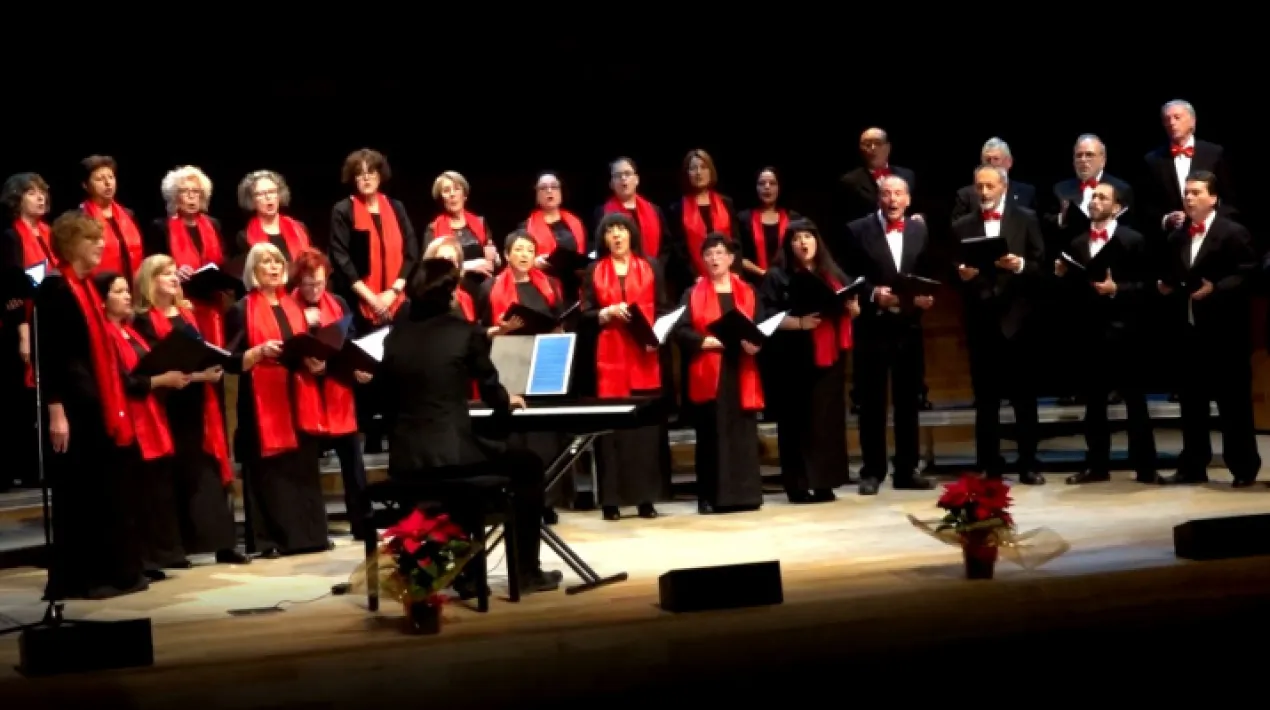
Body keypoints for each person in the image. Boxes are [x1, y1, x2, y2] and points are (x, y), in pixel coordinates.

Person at [378, 258, 562, 595]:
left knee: (479, 465)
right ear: (450, 293)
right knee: (528, 465)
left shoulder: (394, 340)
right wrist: (508, 402)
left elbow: (383, 402)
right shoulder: (465, 333)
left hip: (406, 460)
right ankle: (525, 571)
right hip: (453, 458)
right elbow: (492, 393)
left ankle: (464, 573)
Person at [35, 211, 147, 599]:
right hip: (72, 406)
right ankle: (81, 578)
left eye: (101, 238)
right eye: (91, 239)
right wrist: (55, 409)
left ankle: (113, 570)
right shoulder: (55, 289)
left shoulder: (85, 287)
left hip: (94, 400)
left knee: (104, 490)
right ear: (70, 245)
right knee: (79, 494)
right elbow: (50, 354)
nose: (101, 245)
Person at [133, 255, 249, 564]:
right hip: (165, 404)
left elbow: (195, 352)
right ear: (150, 280)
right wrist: (199, 375)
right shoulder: (142, 319)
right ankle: (174, 548)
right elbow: (150, 365)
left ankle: (222, 543)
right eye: (165, 274)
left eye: (174, 273)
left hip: (197, 401)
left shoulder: (186, 314)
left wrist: (207, 368)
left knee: (205, 470)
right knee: (173, 476)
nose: (174, 278)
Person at [223, 242, 331, 557]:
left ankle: (308, 536)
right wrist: (258, 352)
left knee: (301, 466)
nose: (272, 267)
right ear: (253, 271)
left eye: (276, 261)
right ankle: (270, 540)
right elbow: (230, 359)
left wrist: (317, 363)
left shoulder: (295, 305)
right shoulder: (241, 309)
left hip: (297, 393)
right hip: (261, 399)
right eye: (265, 262)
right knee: (269, 471)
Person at [1159, 172, 1260, 487]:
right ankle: (1193, 465)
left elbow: (1248, 274)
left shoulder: (1233, 232)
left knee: (1233, 405)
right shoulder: (1177, 237)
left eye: (1196, 193)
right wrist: (1167, 286)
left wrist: (1216, 288)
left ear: (1213, 198)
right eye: (1186, 193)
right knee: (1192, 405)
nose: (1188, 198)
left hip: (1225, 333)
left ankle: (1243, 468)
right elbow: (1175, 274)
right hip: (1189, 332)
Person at [1053, 183, 1159, 485]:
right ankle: (1097, 466)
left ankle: (1145, 467)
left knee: (1135, 403)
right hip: (1090, 333)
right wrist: (1063, 277)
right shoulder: (1076, 243)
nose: (1095, 201)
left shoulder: (1133, 240)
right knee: (1094, 404)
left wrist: (1117, 290)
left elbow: (1148, 287)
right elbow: (1070, 293)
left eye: (1102, 197)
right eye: (1093, 197)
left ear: (1117, 207)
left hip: (1127, 333)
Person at [96, 270, 195, 577]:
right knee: (138, 492)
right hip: (130, 419)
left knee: (156, 490)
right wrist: (158, 380)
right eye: (118, 292)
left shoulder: (130, 331)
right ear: (102, 301)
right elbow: (122, 381)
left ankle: (161, 553)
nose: (127, 297)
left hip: (151, 414)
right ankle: (143, 557)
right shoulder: (106, 334)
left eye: (128, 291)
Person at [952, 165, 1046, 485]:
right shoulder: (963, 224)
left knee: (1024, 398)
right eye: (979, 187)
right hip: (982, 320)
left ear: (1003, 187)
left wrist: (1019, 265)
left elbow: (1041, 266)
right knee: (986, 400)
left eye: (989, 186)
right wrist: (962, 274)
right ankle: (989, 464)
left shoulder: (1026, 218)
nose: (983, 193)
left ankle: (1028, 463)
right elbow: (956, 267)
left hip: (1018, 321)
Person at [843, 178, 938, 494]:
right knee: (872, 403)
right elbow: (849, 277)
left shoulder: (918, 230)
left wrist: (924, 298)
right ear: (878, 199)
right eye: (886, 193)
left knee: (908, 401)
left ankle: (907, 470)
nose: (892, 199)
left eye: (898, 193)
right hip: (873, 328)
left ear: (908, 199)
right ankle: (872, 470)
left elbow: (925, 273)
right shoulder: (857, 230)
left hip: (908, 327)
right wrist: (872, 295)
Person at [759, 219, 858, 502]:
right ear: (789, 245)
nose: (803, 243)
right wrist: (799, 322)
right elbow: (765, 316)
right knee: (796, 421)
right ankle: (798, 484)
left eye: (808, 237)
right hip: (794, 356)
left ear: (817, 241)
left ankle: (825, 482)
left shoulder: (832, 271)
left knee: (826, 421)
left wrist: (853, 309)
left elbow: (850, 303)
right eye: (796, 238)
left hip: (830, 356)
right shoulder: (778, 276)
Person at [582, 212, 671, 520]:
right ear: (603, 239)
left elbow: (661, 307)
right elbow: (585, 314)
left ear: (632, 234)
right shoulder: (594, 270)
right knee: (612, 433)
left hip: (643, 353)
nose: (617, 236)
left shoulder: (651, 266)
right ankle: (611, 500)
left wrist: (656, 333)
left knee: (643, 432)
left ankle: (645, 499)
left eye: (621, 230)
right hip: (610, 356)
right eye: (610, 231)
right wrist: (604, 314)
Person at [673, 234, 765, 514]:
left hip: (741, 367)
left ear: (730, 258)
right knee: (711, 435)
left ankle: (745, 495)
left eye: (719, 253)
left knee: (742, 434)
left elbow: (760, 326)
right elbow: (681, 329)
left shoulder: (747, 291)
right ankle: (709, 496)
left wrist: (755, 342)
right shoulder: (692, 293)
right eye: (708, 254)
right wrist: (703, 341)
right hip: (710, 368)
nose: (714, 259)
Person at [288, 249, 374, 540]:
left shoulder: (337, 304)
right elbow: (286, 348)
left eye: (320, 283)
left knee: (353, 464)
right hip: (304, 393)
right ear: (298, 282)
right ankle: (312, 532)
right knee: (306, 468)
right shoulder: (288, 306)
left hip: (338, 391)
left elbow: (349, 343)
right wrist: (306, 328)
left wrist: (356, 369)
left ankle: (363, 526)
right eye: (309, 284)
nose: (315, 290)